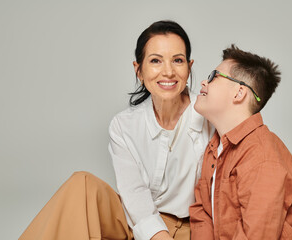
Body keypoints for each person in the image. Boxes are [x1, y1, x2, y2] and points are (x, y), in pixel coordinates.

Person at [19, 20, 212, 240]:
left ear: (189, 67)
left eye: (177, 60)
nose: (168, 71)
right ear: (138, 70)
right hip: (137, 225)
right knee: (81, 183)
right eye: (155, 61)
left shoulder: (210, 113)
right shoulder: (124, 125)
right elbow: (135, 195)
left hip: (197, 228)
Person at [189, 44, 292, 239]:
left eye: (213, 76)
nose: (203, 81)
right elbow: (202, 212)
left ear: (239, 93)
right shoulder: (214, 147)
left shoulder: (262, 156)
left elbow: (257, 235)